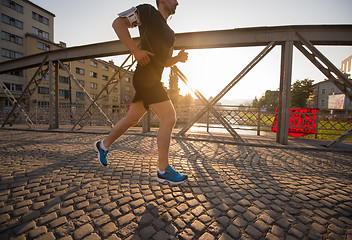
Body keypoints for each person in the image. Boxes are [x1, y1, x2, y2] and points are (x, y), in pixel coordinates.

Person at [93, 0, 189, 185]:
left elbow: (165, 62)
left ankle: (103, 146)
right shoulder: (148, 12)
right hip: (147, 77)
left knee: (132, 119)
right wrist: (135, 50)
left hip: (152, 78)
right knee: (169, 118)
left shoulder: (170, 33)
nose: (177, 2)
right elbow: (118, 23)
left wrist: (177, 58)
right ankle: (164, 169)